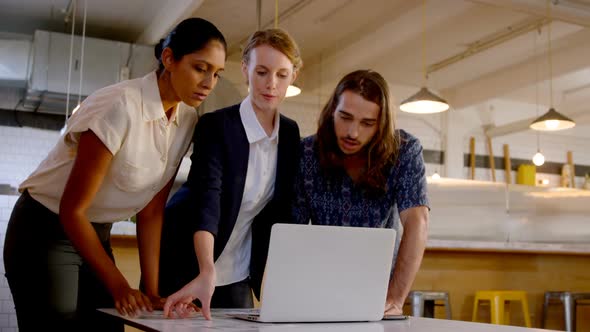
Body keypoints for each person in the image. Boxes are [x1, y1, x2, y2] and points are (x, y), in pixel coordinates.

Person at [3, 18, 226, 331]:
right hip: (44, 229)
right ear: (169, 59)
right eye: (200, 68)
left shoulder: (188, 119)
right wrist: (120, 285)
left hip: (96, 233)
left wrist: (151, 291)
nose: (209, 82)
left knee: (109, 327)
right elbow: (73, 209)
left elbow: (151, 211)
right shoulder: (120, 105)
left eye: (217, 73)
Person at [158, 28, 302, 319]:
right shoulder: (216, 126)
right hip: (189, 262)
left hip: (239, 268)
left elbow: (282, 211)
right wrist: (206, 271)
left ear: (293, 77)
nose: (270, 84)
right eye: (261, 72)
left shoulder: (290, 133)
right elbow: (207, 201)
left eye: (281, 75)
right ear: (245, 69)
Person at [291, 70, 429, 316]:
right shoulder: (307, 152)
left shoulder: (404, 151)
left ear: (382, 124)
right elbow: (293, 230)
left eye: (367, 123)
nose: (352, 133)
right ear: (332, 110)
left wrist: (395, 298)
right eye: (345, 117)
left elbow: (417, 222)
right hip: (317, 285)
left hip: (379, 289)